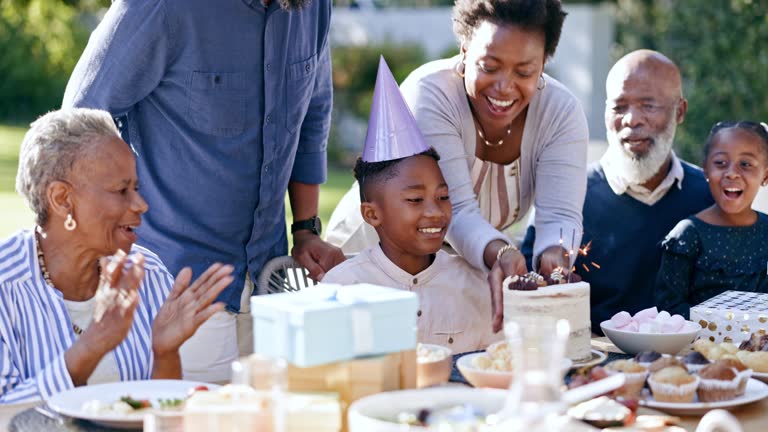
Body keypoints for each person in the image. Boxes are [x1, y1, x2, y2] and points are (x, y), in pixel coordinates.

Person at [62, 0, 345, 381]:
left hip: (271, 283)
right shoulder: (160, 6)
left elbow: (313, 113)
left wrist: (306, 228)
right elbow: (79, 122)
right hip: (175, 285)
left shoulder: (313, 6)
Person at [326, 0, 589, 333]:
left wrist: (555, 257)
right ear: (464, 51)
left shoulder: (560, 113)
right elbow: (457, 211)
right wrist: (503, 252)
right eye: (490, 66)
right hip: (373, 255)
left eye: (524, 71)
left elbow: (560, 219)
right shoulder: (430, 94)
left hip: (462, 262)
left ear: (543, 65)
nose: (504, 86)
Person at [1, 108, 233, 404]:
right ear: (62, 199)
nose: (140, 205)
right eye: (122, 190)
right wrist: (91, 346)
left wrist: (165, 352)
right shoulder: (5, 286)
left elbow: (157, 412)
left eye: (136, 188)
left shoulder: (146, 271)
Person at [522, 49, 714, 332]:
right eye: (619, 106)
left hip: (689, 366)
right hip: (592, 365)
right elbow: (528, 292)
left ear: (680, 111)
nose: (632, 120)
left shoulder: (710, 198)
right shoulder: (566, 197)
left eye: (648, 106)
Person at [323, 59, 501, 353]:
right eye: (415, 200)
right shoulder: (342, 287)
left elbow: (496, 360)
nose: (434, 211)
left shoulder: (474, 283)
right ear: (372, 214)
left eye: (443, 197)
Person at [656, 121, 768, 318]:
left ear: (765, 174)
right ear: (705, 169)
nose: (732, 173)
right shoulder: (687, 235)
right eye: (720, 163)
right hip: (698, 347)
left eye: (746, 164)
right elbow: (669, 309)